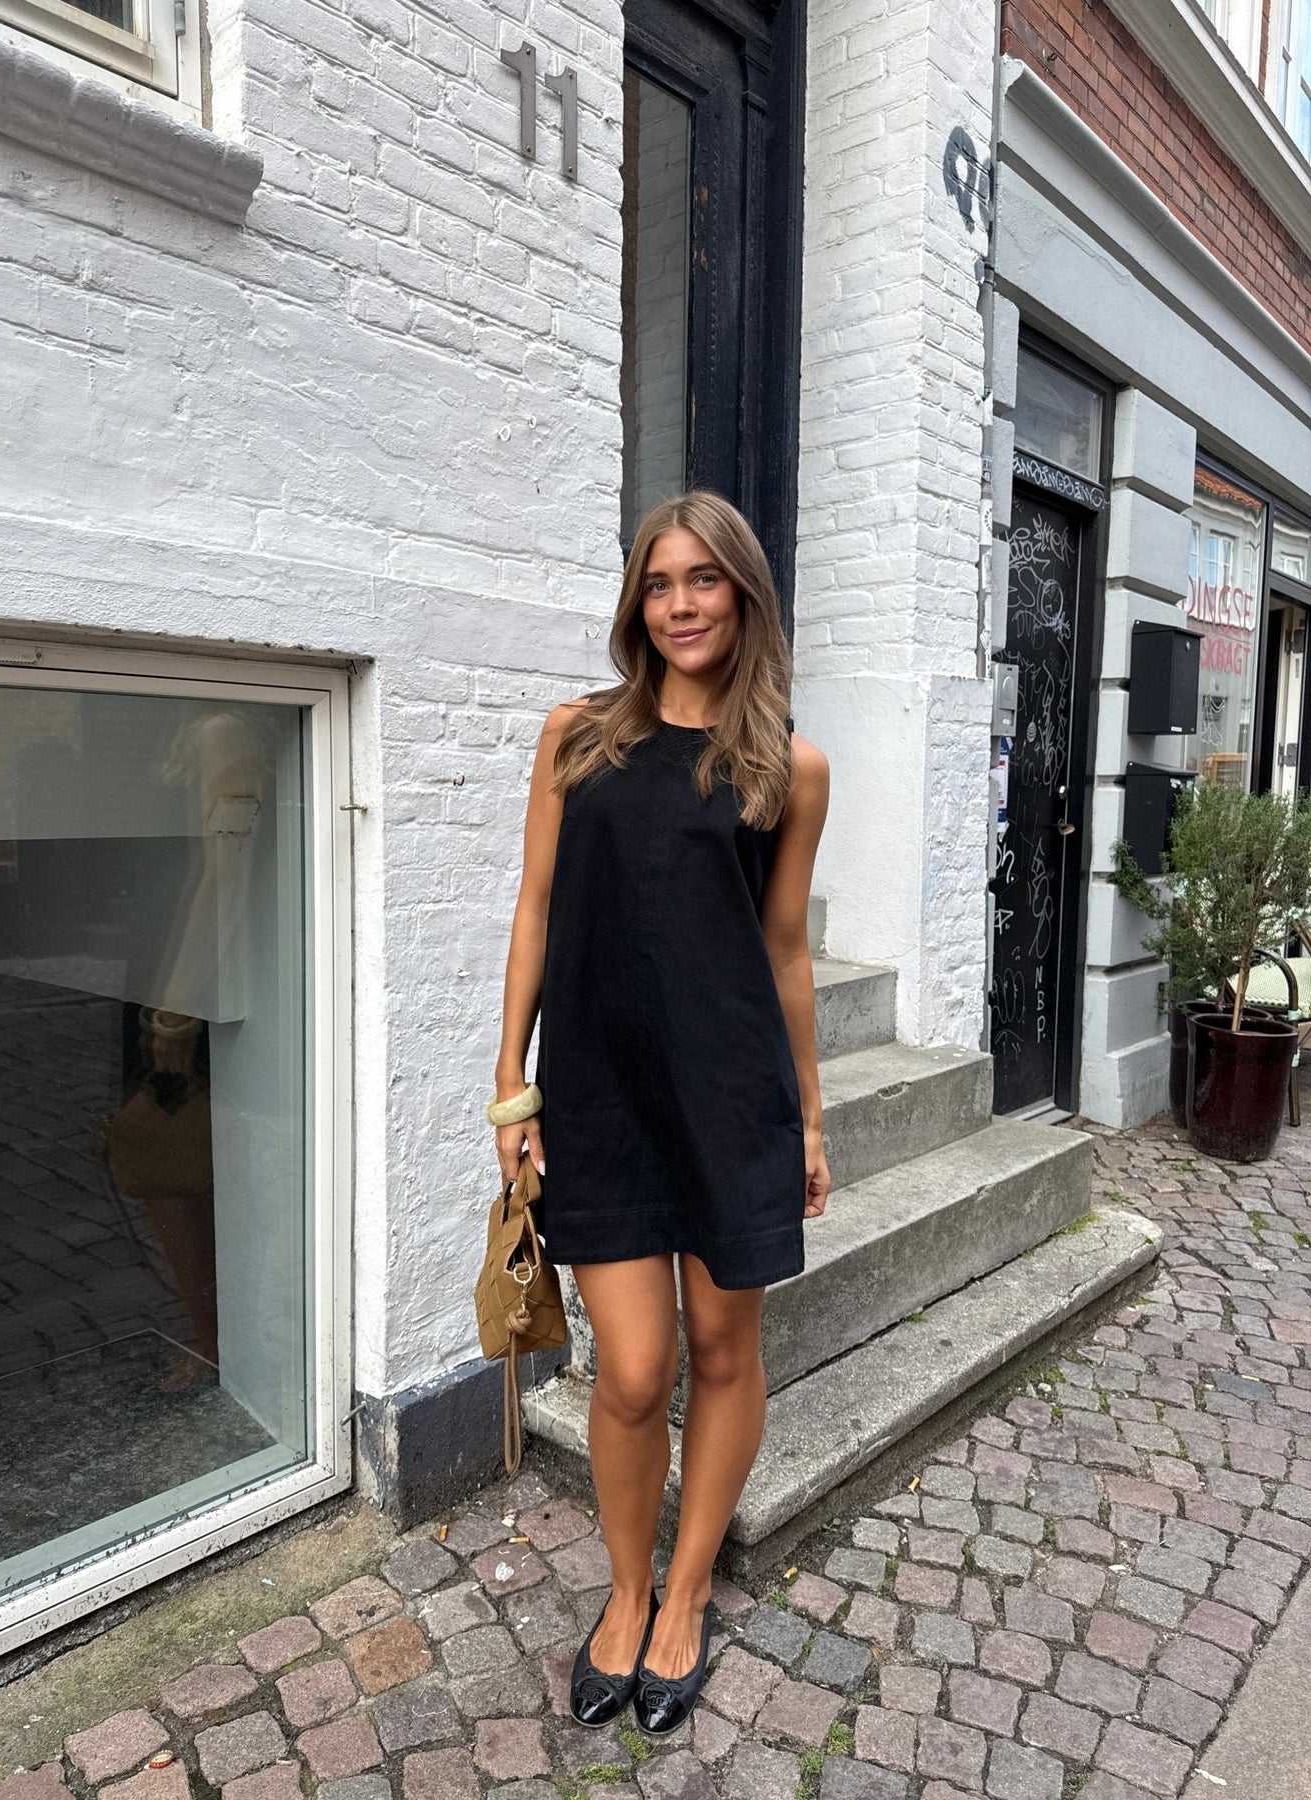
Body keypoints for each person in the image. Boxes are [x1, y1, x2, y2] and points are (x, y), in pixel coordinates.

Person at [490, 490, 832, 1736]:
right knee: (634, 1372)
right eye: (658, 582)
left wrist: (808, 1117)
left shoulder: (788, 766)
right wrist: (511, 1081)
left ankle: (685, 1597)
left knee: (725, 1351)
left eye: (703, 579)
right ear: (637, 603)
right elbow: (536, 907)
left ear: (744, 595)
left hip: (732, 1096)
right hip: (604, 1094)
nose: (680, 604)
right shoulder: (576, 737)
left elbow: (783, 950)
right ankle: (625, 1591)